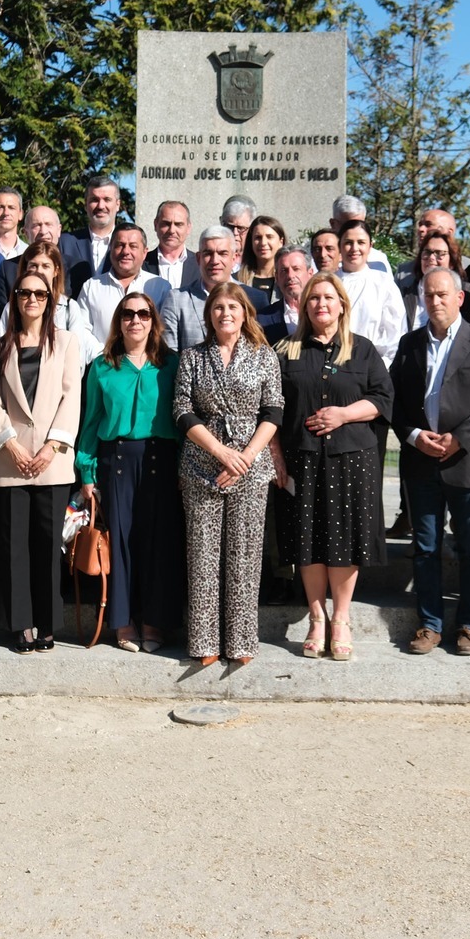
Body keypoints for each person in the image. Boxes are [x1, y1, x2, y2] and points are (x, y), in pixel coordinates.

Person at [272, 274, 395, 661]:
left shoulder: (362, 350)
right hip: (302, 458)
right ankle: (316, 617)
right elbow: (272, 408)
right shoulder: (285, 351)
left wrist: (343, 414)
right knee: (307, 540)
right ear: (303, 306)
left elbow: (382, 399)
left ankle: (341, 619)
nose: (321, 304)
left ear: (342, 304)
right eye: (313, 298)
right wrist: (275, 454)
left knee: (344, 540)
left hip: (352, 459)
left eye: (328, 297)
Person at [390, 269, 470, 656]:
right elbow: (393, 401)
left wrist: (460, 439)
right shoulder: (409, 345)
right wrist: (413, 436)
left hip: (466, 461)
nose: (435, 301)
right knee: (425, 547)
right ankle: (430, 625)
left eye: (443, 295)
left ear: (460, 298)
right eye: (429, 295)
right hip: (421, 460)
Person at [174, 282, 284, 666]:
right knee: (202, 555)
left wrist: (246, 457)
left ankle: (240, 642)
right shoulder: (192, 357)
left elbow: (273, 411)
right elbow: (182, 411)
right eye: (218, 307)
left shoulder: (264, 355)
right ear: (209, 315)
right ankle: (204, 641)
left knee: (245, 556)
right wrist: (220, 452)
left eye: (232, 307)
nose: (225, 313)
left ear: (245, 314)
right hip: (202, 466)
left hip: (251, 470)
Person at [75, 293, 184, 651]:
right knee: (119, 541)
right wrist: (87, 473)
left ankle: (154, 621)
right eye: (127, 314)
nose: (134, 320)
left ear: (154, 320)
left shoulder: (171, 364)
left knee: (158, 542)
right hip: (117, 460)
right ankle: (122, 622)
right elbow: (90, 423)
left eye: (143, 313)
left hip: (161, 458)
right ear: (118, 321)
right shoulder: (102, 367)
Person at [0, 268, 84, 653]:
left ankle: (46, 623)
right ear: (15, 298)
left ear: (50, 300)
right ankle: (19, 625)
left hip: (52, 459)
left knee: (47, 545)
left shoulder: (66, 342)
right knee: (13, 547)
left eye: (40, 294)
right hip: (10, 458)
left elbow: (71, 398)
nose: (32, 299)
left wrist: (50, 448)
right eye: (25, 292)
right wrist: (9, 443)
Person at [162, 225, 271, 352]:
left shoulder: (254, 298)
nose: (215, 260)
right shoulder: (177, 300)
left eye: (222, 253)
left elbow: (261, 349)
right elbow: (169, 356)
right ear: (198, 258)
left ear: (234, 258)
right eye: (208, 253)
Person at [0, 240, 100, 363]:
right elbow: (3, 355)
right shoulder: (12, 308)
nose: (39, 271)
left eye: (45, 266)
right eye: (33, 265)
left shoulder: (70, 308)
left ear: (56, 271)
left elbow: (78, 359)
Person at [77, 223, 173, 341]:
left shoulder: (161, 287)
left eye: (133, 246)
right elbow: (82, 330)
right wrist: (103, 357)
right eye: (120, 245)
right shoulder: (91, 287)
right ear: (110, 249)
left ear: (144, 253)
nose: (126, 251)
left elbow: (165, 332)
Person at [335, 221, 407, 364]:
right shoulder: (329, 282)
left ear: (370, 246)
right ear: (339, 246)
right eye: (348, 242)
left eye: (361, 242)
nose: (354, 248)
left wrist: (381, 367)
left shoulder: (383, 283)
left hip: (371, 365)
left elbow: (395, 334)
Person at [61, 175, 124, 293]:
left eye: (107, 199)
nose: (101, 206)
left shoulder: (128, 246)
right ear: (86, 205)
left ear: (117, 205)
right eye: (94, 200)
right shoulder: (65, 243)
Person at [402, 230, 464, 331]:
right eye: (427, 252)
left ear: (452, 261)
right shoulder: (404, 294)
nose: (431, 258)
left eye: (439, 253)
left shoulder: (464, 291)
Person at [393, 207, 464, 295]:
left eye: (428, 225)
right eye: (420, 224)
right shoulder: (403, 272)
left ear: (449, 232)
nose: (421, 229)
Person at [261, 246, 313, 345]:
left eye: (296, 269)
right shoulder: (262, 320)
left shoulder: (322, 312)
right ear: (276, 277)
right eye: (284, 271)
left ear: (310, 273)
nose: (290, 275)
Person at [148, 200, 202, 291]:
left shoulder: (200, 265)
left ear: (188, 228)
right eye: (166, 224)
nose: (172, 230)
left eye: (178, 224)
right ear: (155, 225)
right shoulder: (141, 264)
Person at [330, 194, 389, 273]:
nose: (355, 229)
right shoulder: (319, 257)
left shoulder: (378, 259)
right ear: (333, 224)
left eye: (360, 224)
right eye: (349, 225)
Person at [238, 215, 286, 295]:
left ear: (281, 242)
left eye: (269, 237)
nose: (263, 243)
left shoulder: (287, 279)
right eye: (258, 237)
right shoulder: (237, 281)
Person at [0, 188, 28, 259]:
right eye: (0, 207)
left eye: (11, 208)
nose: (6, 213)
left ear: (20, 214)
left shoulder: (29, 253)